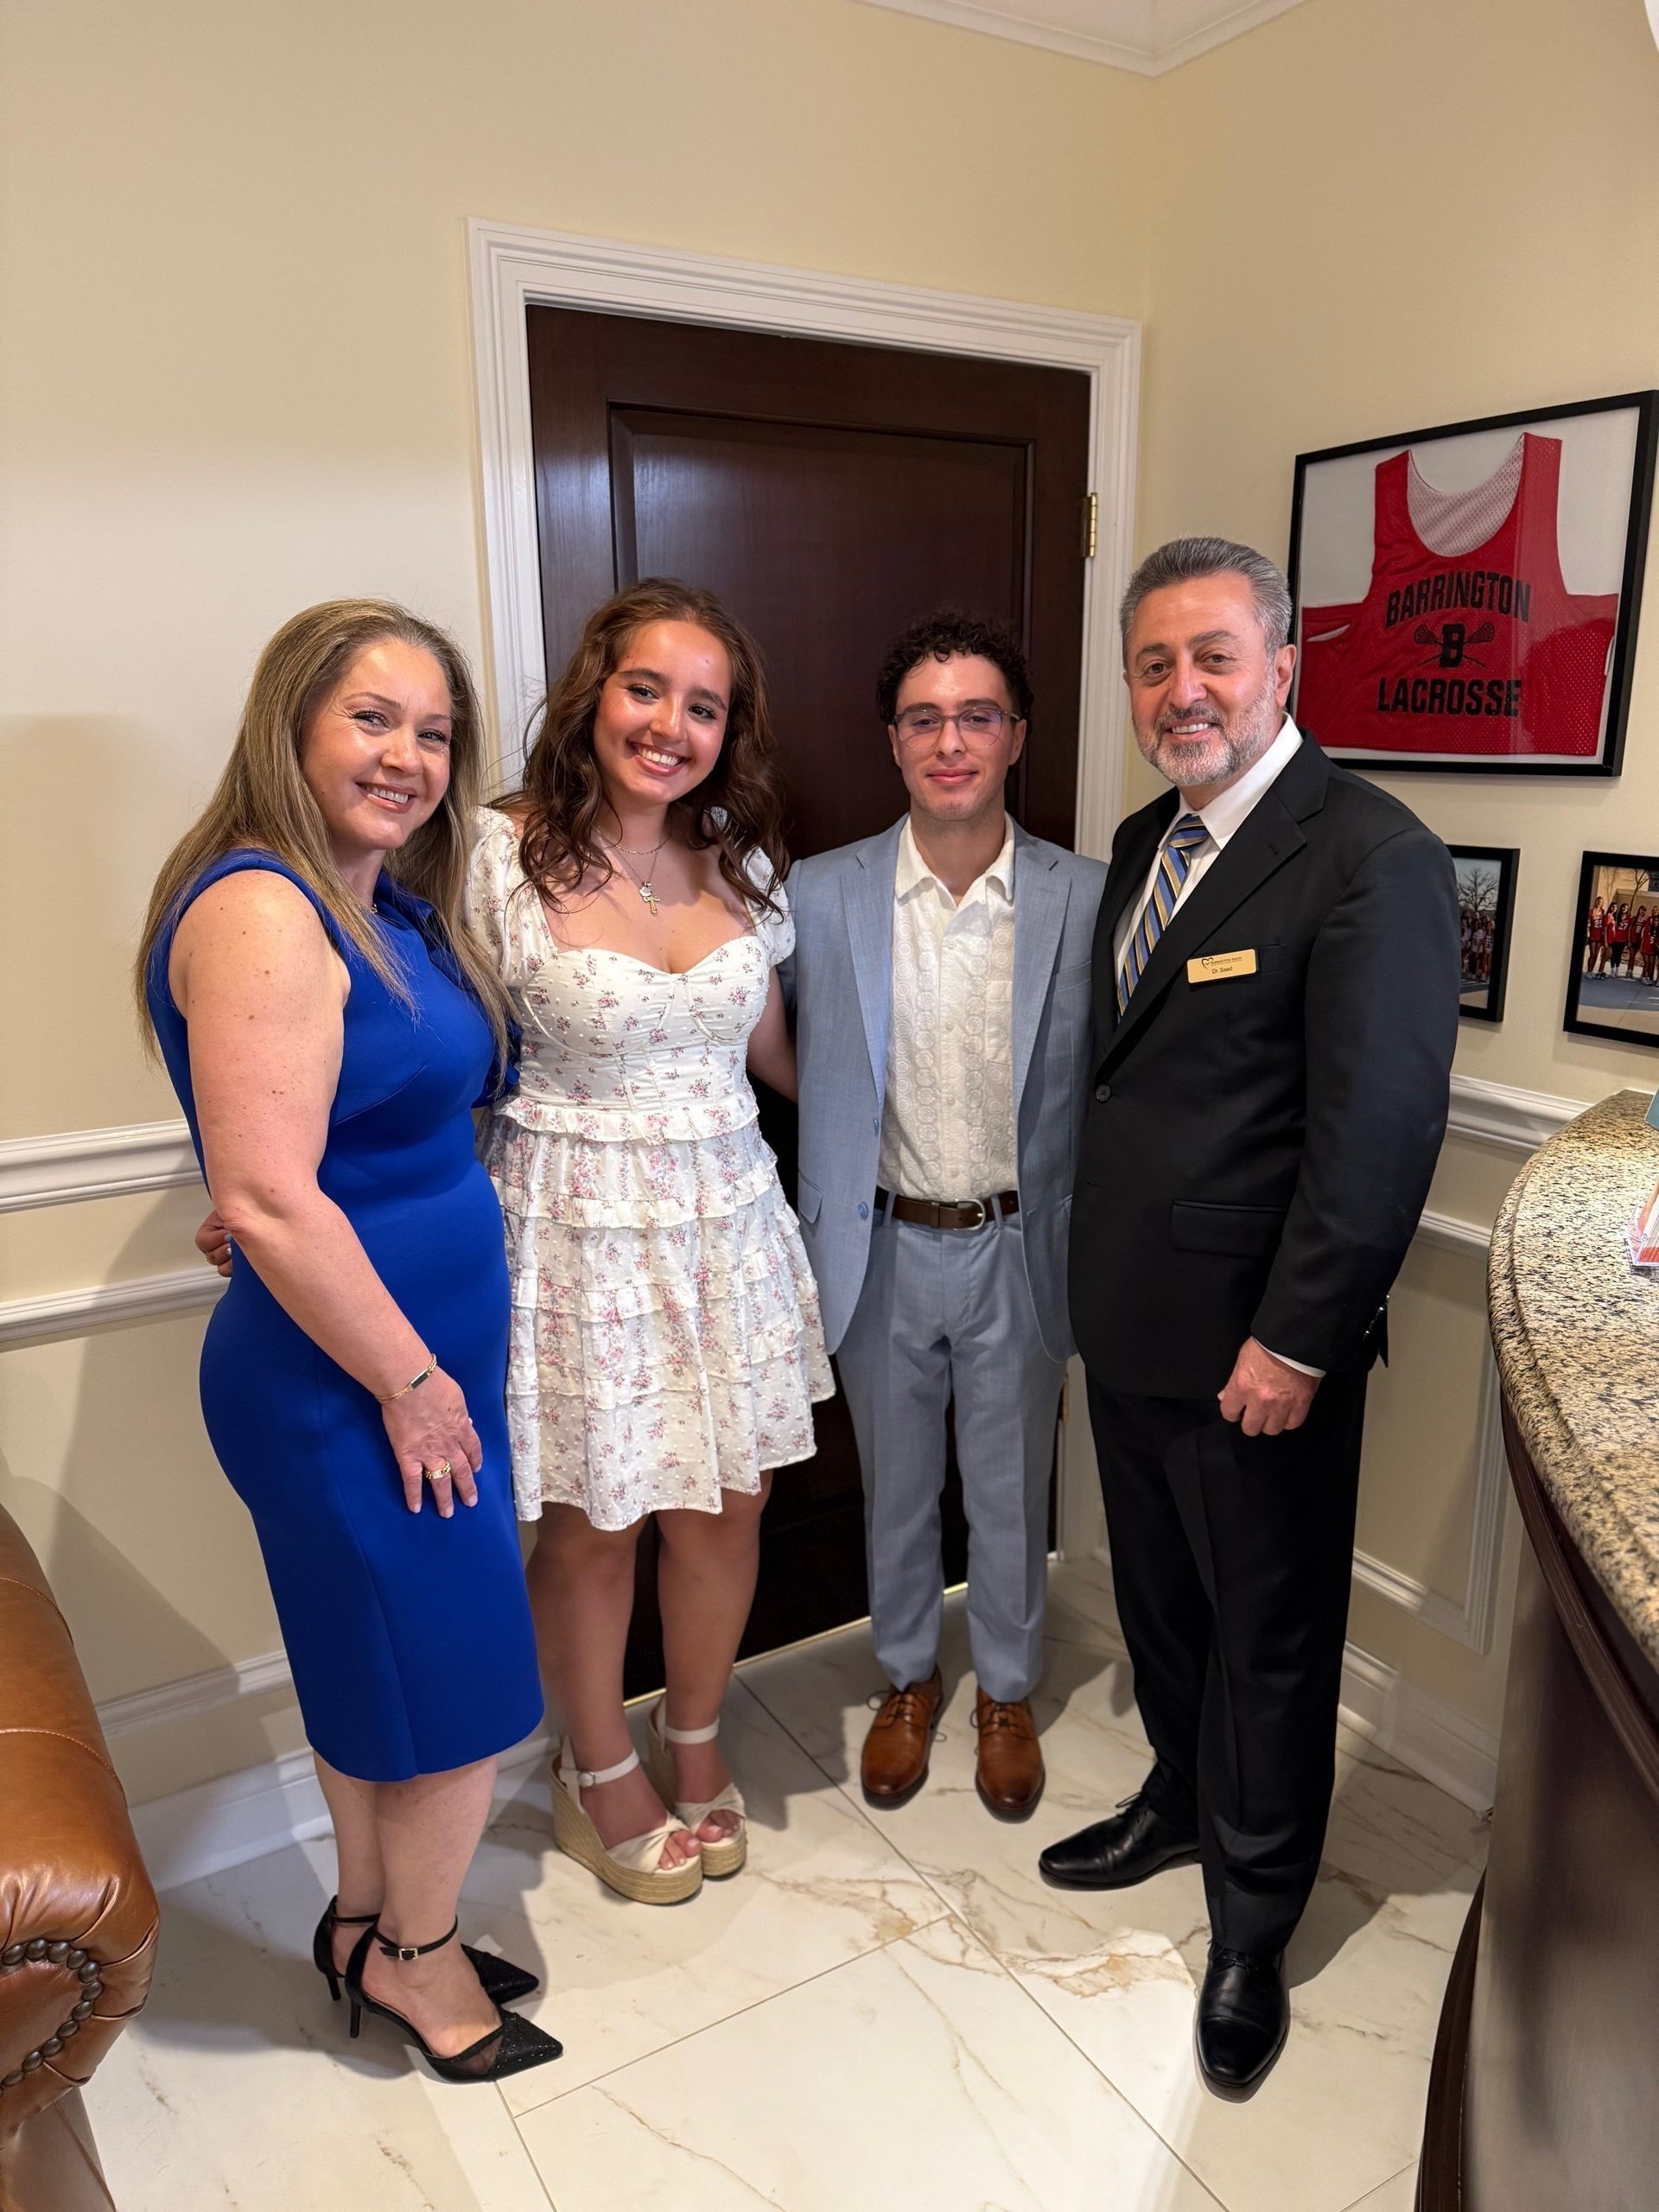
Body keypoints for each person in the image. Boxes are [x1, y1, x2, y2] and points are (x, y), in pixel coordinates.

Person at [1041, 537, 1458, 2096]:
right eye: (1153, 663)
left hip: (1257, 1355)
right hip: (1134, 1327)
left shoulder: (1370, 853)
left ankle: (1254, 1917)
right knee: (1165, 1610)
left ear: (1286, 665)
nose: (1181, 690)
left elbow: (1379, 1133)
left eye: (1213, 655)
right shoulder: (1152, 834)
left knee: (1272, 1642)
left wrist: (1294, 1342)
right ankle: (1177, 1797)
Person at [148, 601, 560, 2085]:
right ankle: (420, 1960)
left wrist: (272, 1213)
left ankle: (371, 1919)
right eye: (372, 719)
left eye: (436, 731)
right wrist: (415, 1383)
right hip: (361, 1385)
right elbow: (265, 1189)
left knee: (372, 1671)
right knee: (457, 1693)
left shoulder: (372, 902)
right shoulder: (264, 904)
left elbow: (292, 1156)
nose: (408, 756)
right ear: (293, 725)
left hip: (393, 1364)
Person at [467, 578, 831, 1904]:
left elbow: (778, 1055)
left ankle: (695, 1735)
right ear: (592, 691)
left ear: (731, 733)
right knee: (595, 1521)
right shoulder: (496, 857)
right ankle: (596, 1759)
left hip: (728, 1217)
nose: (670, 725)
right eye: (645, 690)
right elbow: (425, 1043)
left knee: (729, 1502)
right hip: (573, 1224)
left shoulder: (744, 863)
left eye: (704, 706)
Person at [786, 613, 1108, 1819]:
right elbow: (751, 1040)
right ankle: (910, 1680)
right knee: (898, 1483)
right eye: (925, 718)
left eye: (977, 716)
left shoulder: (1088, 898)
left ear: (1017, 737)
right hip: (877, 1242)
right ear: (893, 743)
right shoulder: (821, 894)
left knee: (1014, 1484)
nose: (951, 740)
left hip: (1023, 1246)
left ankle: (1008, 1692)